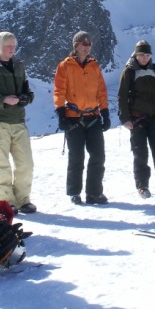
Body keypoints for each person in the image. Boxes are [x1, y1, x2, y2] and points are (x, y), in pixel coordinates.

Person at [0, 31, 37, 214]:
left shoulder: (18, 66)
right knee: (0, 163)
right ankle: (5, 202)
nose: (12, 49)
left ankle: (23, 199)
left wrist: (26, 98)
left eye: (13, 45)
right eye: (8, 46)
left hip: (18, 120)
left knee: (25, 163)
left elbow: (27, 90)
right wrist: (3, 99)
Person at [53, 30, 111, 205]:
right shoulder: (65, 66)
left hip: (93, 116)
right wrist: (61, 112)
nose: (87, 47)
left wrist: (105, 112)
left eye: (89, 44)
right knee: (76, 157)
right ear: (76, 46)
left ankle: (94, 193)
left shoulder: (95, 66)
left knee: (98, 156)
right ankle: (74, 192)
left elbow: (101, 91)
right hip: (73, 118)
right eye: (83, 44)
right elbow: (59, 90)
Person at [118, 40, 155, 199]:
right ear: (136, 55)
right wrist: (125, 118)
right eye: (141, 55)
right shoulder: (129, 71)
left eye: (147, 55)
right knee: (140, 154)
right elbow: (122, 96)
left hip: (154, 119)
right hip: (136, 120)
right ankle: (142, 186)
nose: (144, 58)